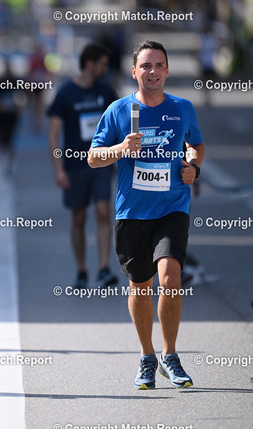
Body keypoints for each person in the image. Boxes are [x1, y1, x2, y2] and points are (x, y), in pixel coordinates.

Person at [88, 40, 204, 390]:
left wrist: (193, 167)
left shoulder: (182, 108)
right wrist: (120, 148)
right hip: (132, 212)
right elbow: (93, 158)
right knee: (140, 285)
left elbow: (196, 145)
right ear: (134, 71)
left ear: (167, 70)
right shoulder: (118, 110)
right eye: (146, 66)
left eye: (159, 65)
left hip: (172, 207)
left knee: (170, 277)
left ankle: (170, 354)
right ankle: (146, 356)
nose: (153, 71)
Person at [47, 43, 119, 289]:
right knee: (78, 217)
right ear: (90, 64)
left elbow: (119, 124)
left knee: (103, 212)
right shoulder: (66, 93)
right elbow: (54, 134)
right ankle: (81, 269)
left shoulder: (106, 91)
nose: (105, 69)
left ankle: (103, 268)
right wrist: (58, 169)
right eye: (102, 65)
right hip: (75, 165)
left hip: (102, 163)